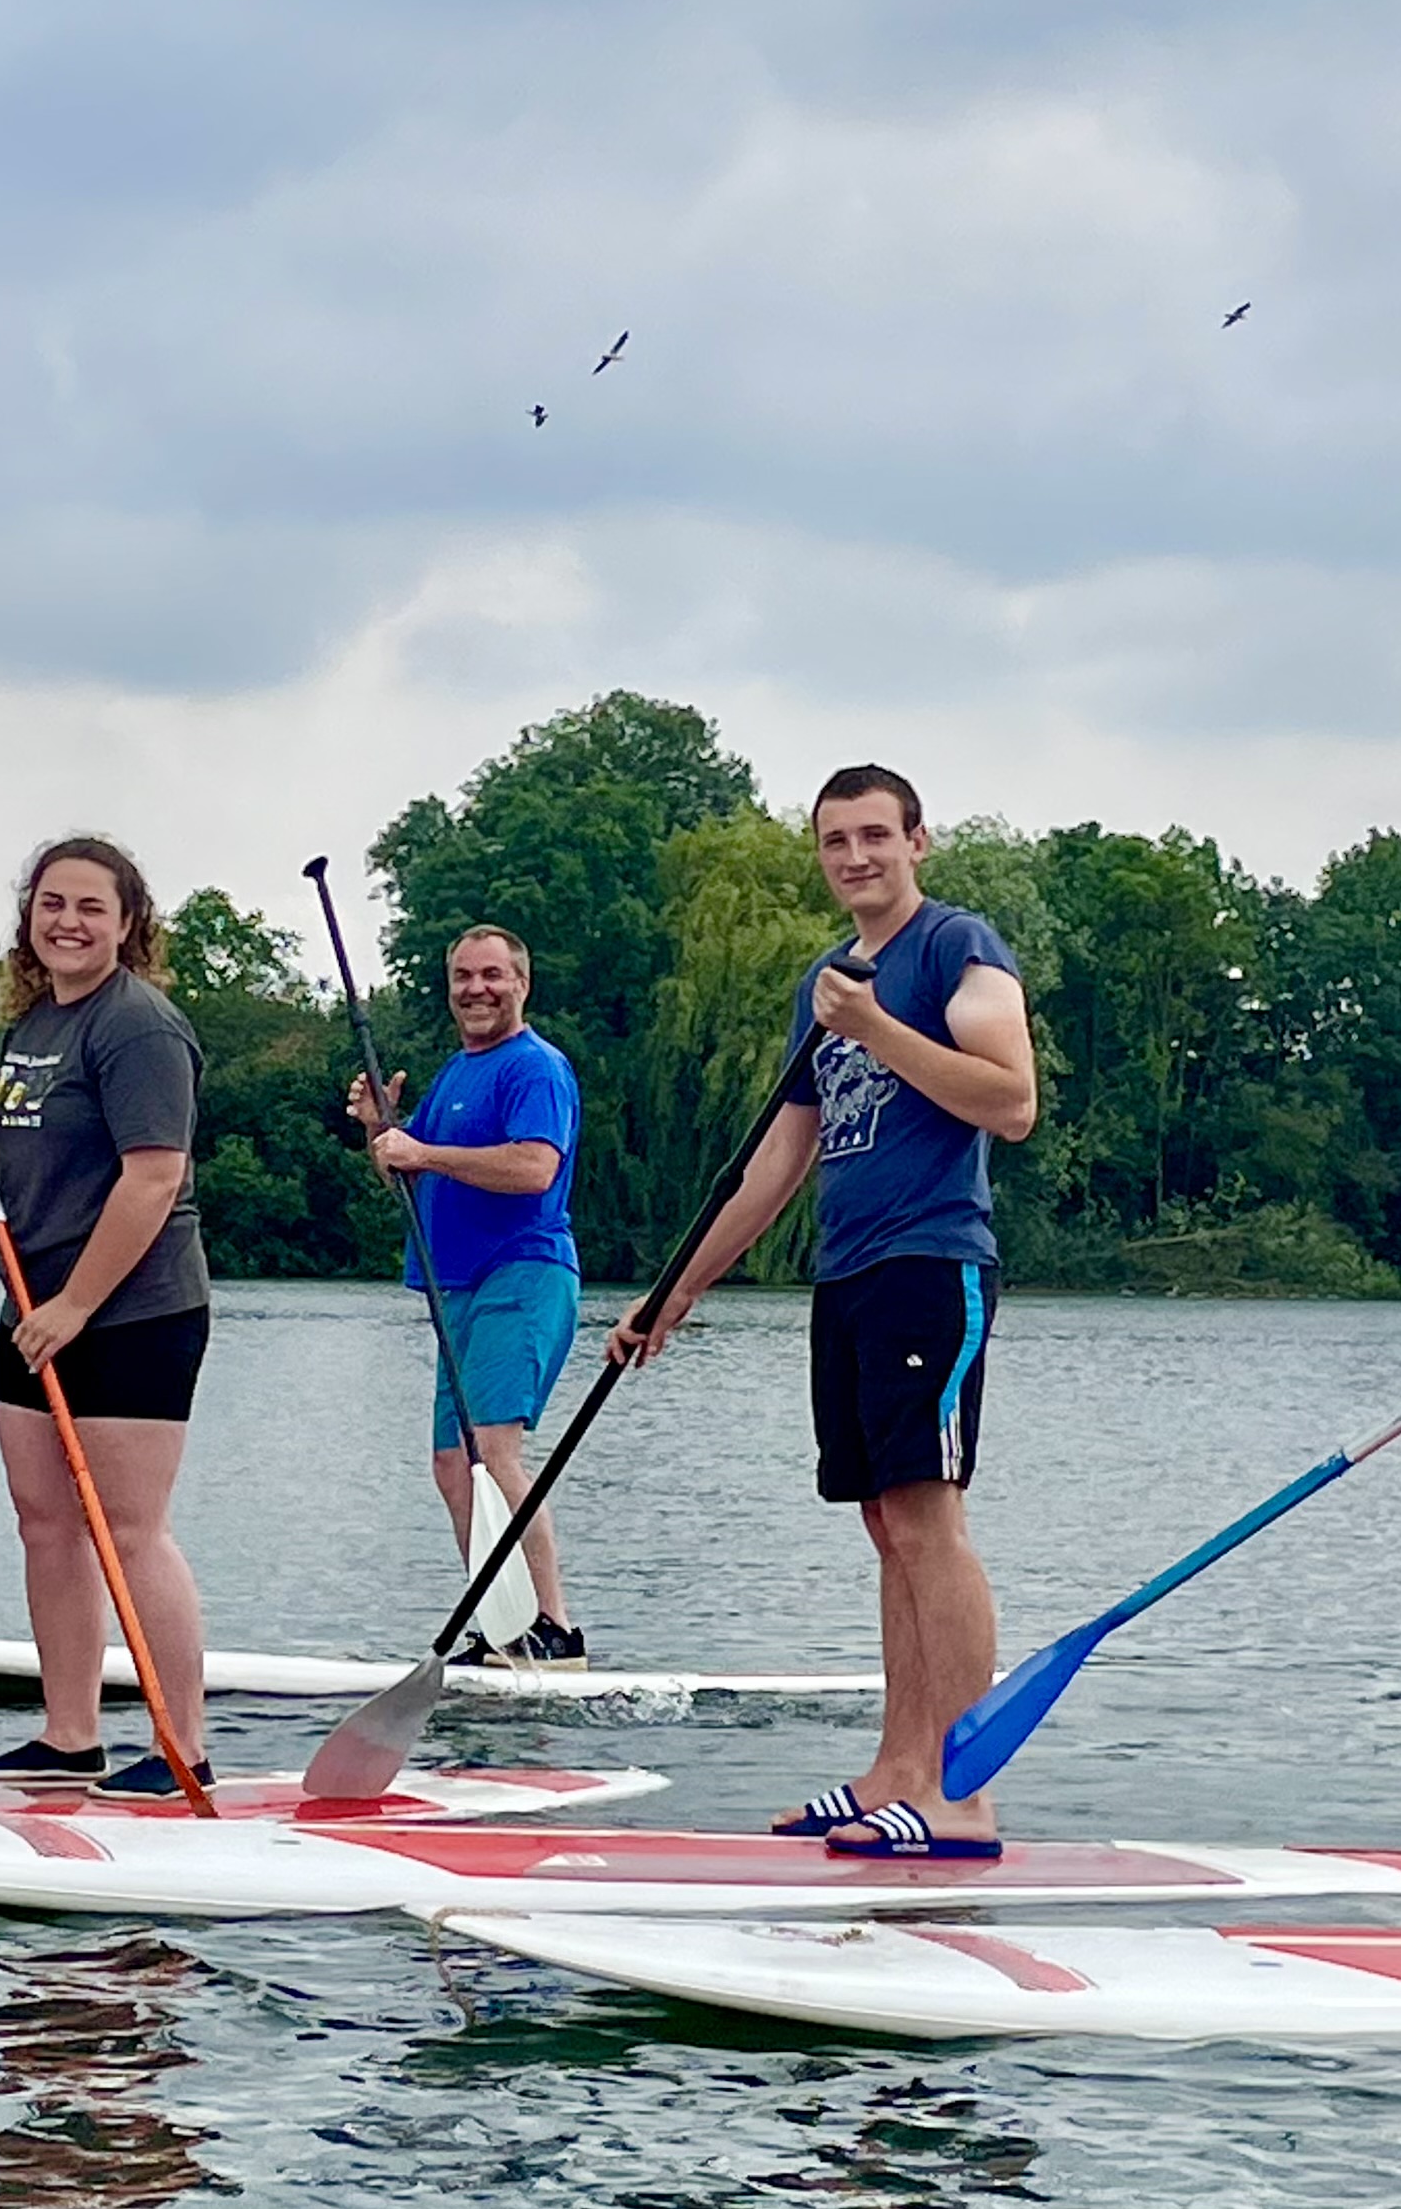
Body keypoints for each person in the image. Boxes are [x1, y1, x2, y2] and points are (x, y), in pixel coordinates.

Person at [608, 764, 1038, 1857]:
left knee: (929, 1518)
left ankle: (961, 1795)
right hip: (847, 1276)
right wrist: (677, 1291)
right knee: (885, 1523)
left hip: (931, 1265)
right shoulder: (825, 981)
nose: (856, 858)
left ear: (917, 843)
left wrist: (878, 1025)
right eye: (836, 841)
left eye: (874, 837)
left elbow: (1012, 1099)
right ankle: (897, 1770)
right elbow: (775, 1163)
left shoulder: (956, 946)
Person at [0, 835, 216, 1799]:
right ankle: (69, 1735)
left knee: (131, 1529)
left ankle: (185, 1747)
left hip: (131, 1311)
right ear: (28, 920)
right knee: (45, 1522)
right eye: (51, 904)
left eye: (90, 907)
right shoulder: (35, 1027)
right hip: (33, 1304)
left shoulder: (140, 1029)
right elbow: (25, 1158)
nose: (68, 922)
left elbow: (153, 1175)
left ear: (127, 925)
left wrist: (78, 1305)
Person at [348, 923, 590, 1667]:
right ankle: (498, 1618)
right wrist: (379, 1135)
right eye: (462, 976)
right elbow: (404, 1171)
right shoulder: (457, 1071)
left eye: (492, 975)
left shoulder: (534, 1069)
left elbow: (532, 1169)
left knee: (495, 1451)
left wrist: (421, 1150)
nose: (476, 989)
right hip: (454, 1289)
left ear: (521, 984)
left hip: (521, 1273)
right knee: (453, 1464)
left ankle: (552, 1626)